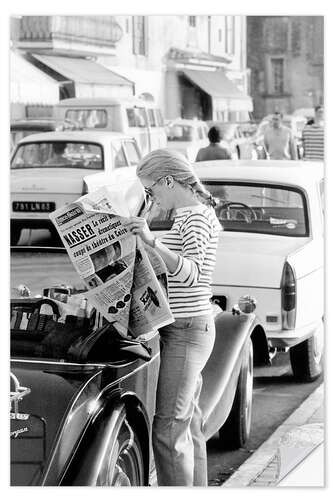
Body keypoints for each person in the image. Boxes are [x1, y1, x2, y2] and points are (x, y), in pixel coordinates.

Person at [125, 149, 222, 486]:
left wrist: (151, 240)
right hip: (189, 327)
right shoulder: (194, 212)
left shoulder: (193, 216)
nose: (151, 197)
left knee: (167, 431)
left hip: (186, 329)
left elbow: (192, 273)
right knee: (187, 425)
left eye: (151, 190)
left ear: (168, 180)